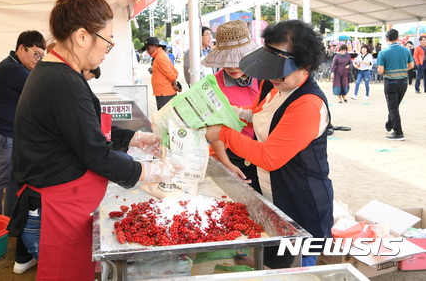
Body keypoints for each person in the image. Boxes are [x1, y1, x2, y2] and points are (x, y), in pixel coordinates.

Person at [7, 0, 176, 280]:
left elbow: (87, 127)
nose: (107, 51)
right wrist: (146, 172)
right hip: (56, 203)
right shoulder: (61, 81)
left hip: (61, 193)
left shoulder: (60, 73)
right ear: (83, 37)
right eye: (108, 41)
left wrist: (136, 138)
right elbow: (95, 153)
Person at [205, 19, 333, 267]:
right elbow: (261, 114)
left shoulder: (308, 104)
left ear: (306, 66)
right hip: (274, 191)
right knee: (272, 260)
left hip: (301, 198)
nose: (273, 78)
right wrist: (231, 112)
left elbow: (268, 157)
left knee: (296, 264)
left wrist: (224, 132)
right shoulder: (271, 85)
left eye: (280, 73)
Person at [0, 30, 46, 274]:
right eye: (35, 54)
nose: (37, 60)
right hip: (2, 136)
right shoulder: (13, 70)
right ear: (21, 48)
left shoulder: (17, 67)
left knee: (12, 180)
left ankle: (9, 224)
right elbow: (39, 87)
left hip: (10, 135)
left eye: (41, 56)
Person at [201, 19, 260, 192]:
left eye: (239, 60)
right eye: (227, 60)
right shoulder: (213, 85)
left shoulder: (264, 78)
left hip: (260, 152)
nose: (233, 66)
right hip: (230, 156)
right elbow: (214, 129)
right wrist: (226, 164)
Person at [376, 29, 414, 141]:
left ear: (387, 39)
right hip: (403, 82)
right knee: (395, 106)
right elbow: (411, 65)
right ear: (398, 38)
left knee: (392, 107)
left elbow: (381, 70)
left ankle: (398, 133)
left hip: (391, 82)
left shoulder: (383, 53)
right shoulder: (406, 50)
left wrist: (387, 71)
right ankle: (389, 125)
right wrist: (402, 70)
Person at [142, 36, 181, 110]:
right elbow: (174, 71)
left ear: (155, 46)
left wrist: (175, 84)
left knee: (164, 119)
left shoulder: (160, 57)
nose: (147, 51)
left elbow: (172, 75)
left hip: (164, 94)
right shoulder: (161, 55)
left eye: (148, 49)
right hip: (165, 92)